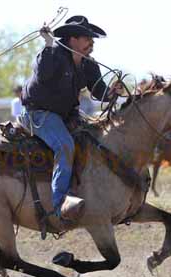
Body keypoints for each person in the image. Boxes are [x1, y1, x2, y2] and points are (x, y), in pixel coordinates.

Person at [19, 15, 123, 222]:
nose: (91, 43)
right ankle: (60, 206)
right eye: (87, 38)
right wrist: (49, 44)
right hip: (39, 114)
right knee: (65, 145)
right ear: (71, 39)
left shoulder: (89, 65)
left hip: (67, 116)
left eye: (92, 39)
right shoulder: (51, 55)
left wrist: (112, 93)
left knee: (98, 141)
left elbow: (99, 92)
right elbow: (44, 76)